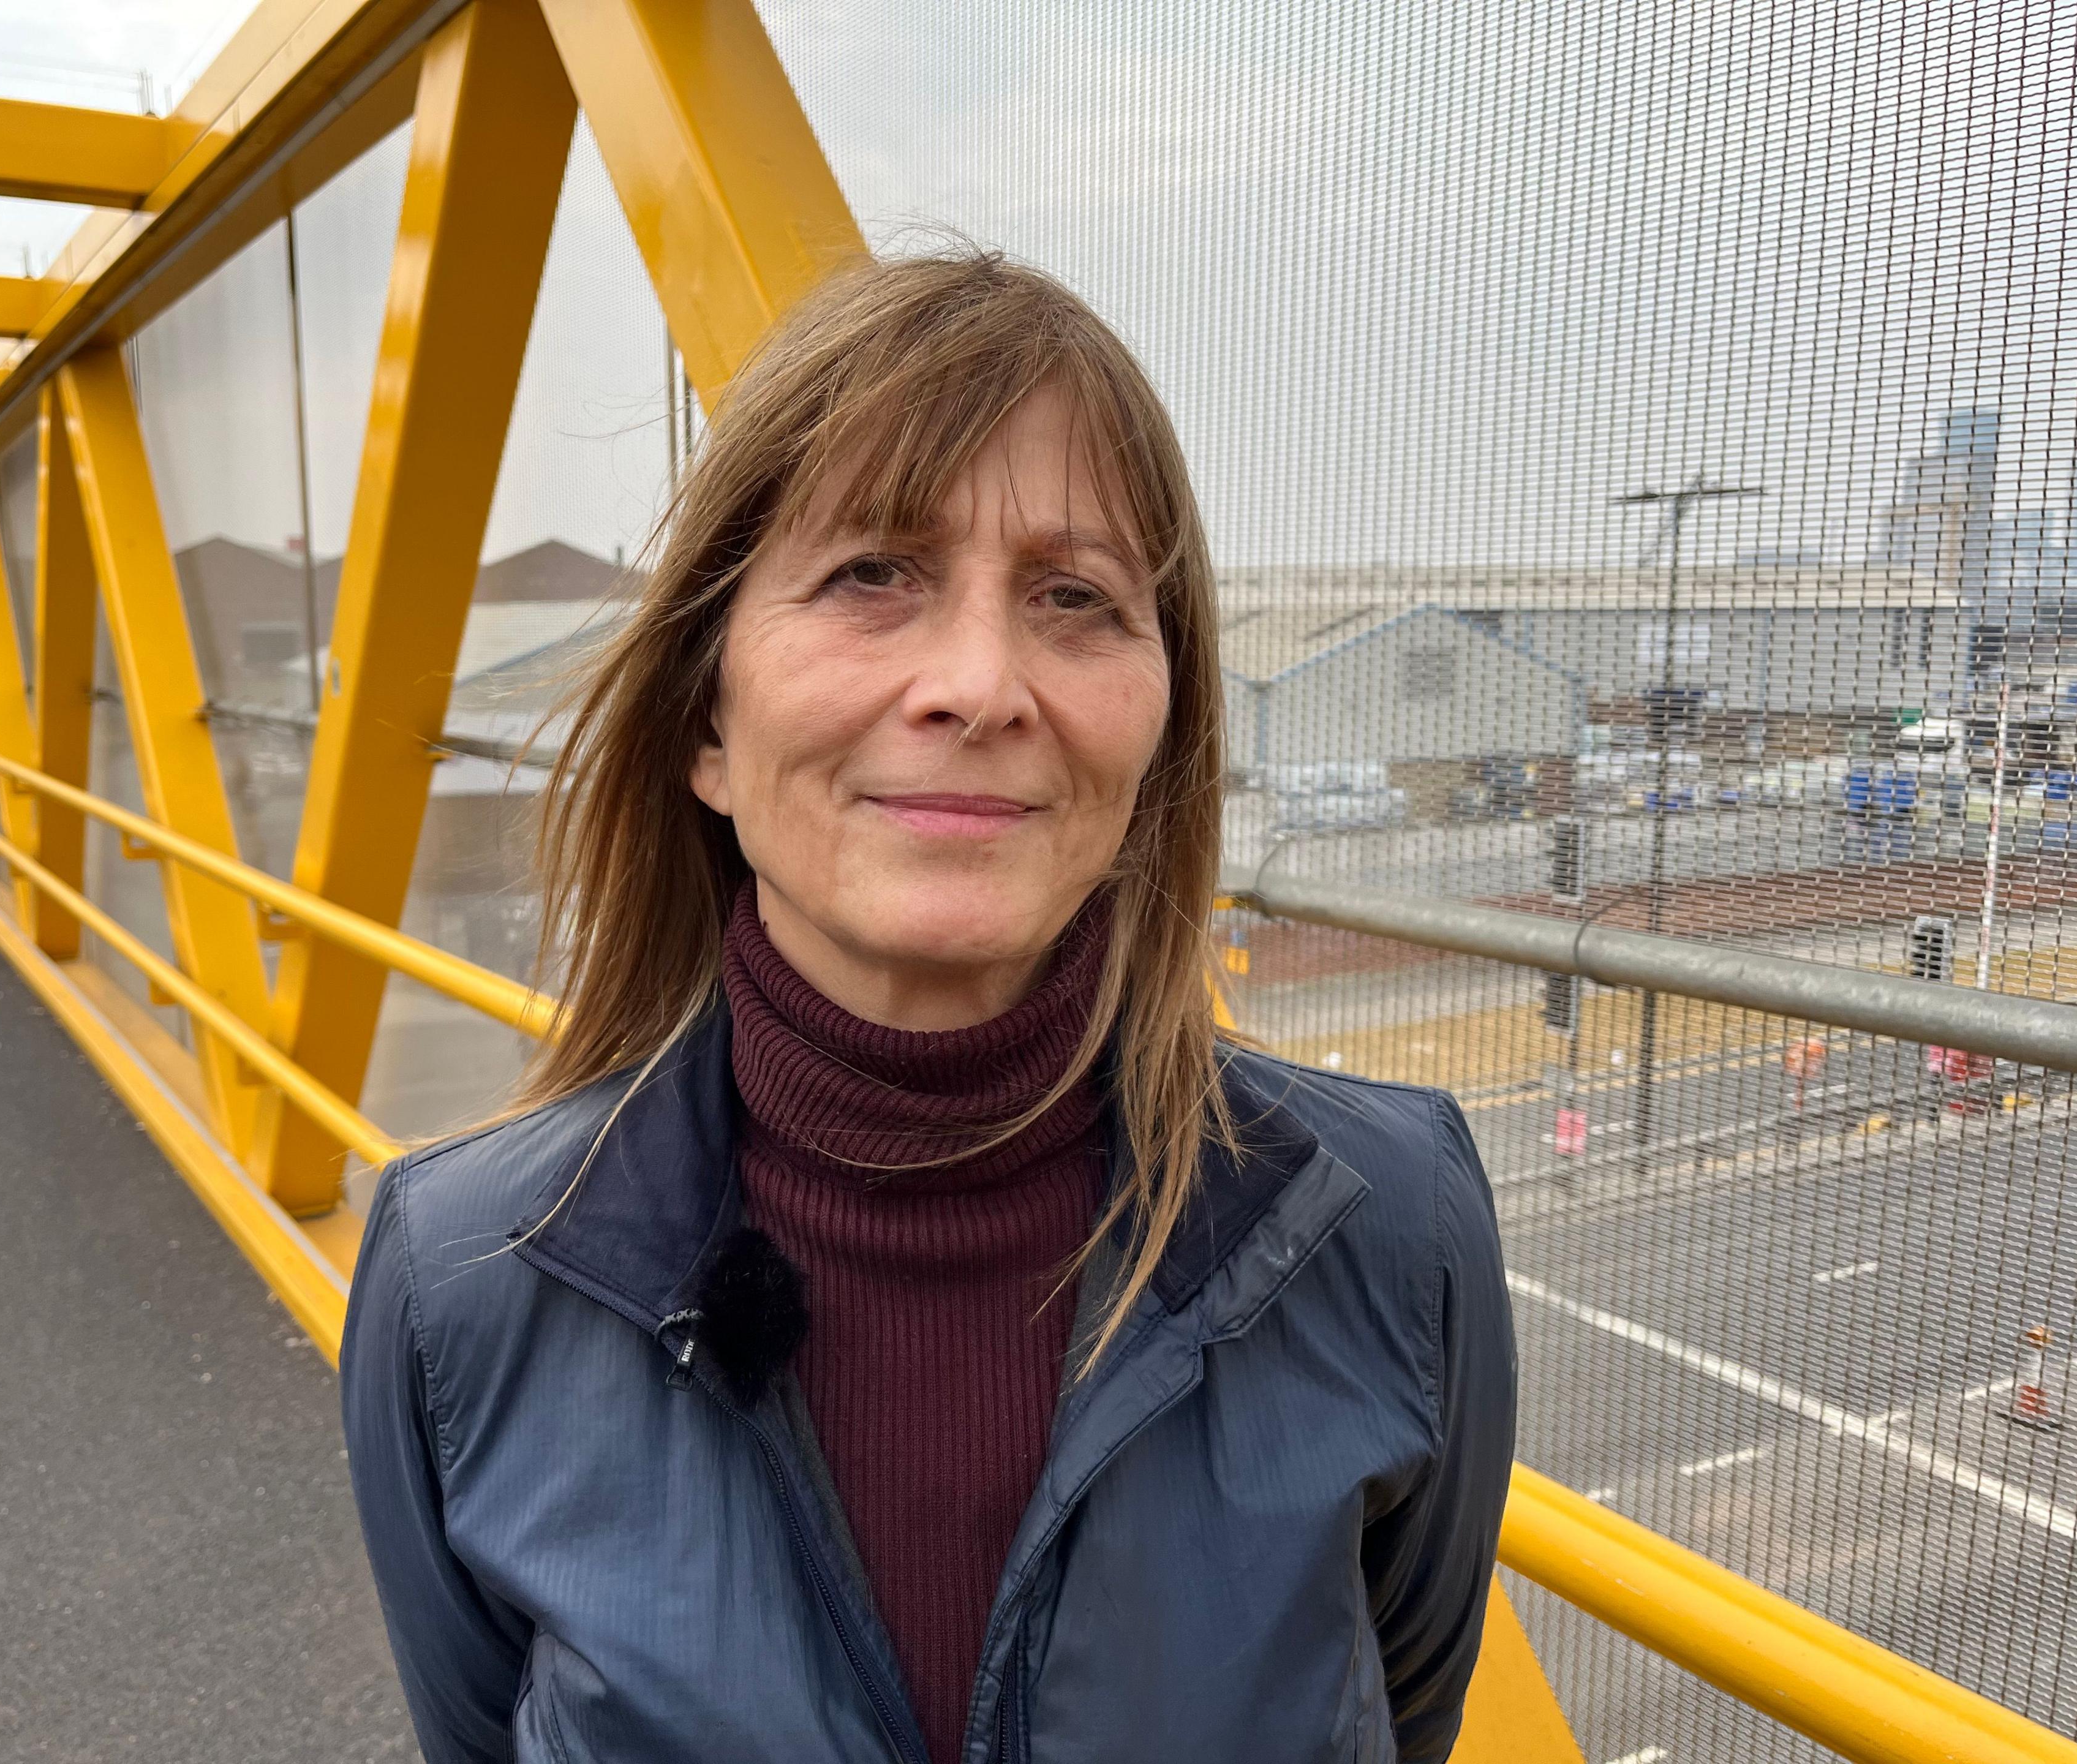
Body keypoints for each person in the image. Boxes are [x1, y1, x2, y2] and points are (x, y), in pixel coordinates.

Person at [342, 251, 1517, 1764]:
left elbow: (1407, 1714)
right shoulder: (466, 1281)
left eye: (1077, 599)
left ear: (1161, 741)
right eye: (870, 576)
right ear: (706, 718)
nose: (979, 683)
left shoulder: (1390, 1224)